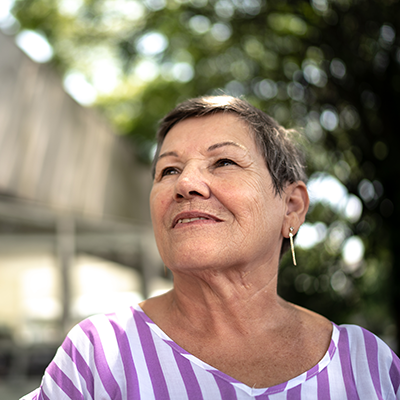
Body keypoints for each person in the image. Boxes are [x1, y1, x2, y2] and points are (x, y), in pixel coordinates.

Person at [22, 95, 400, 400]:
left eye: (223, 161)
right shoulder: (99, 356)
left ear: (291, 207)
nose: (186, 183)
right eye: (169, 170)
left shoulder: (368, 364)